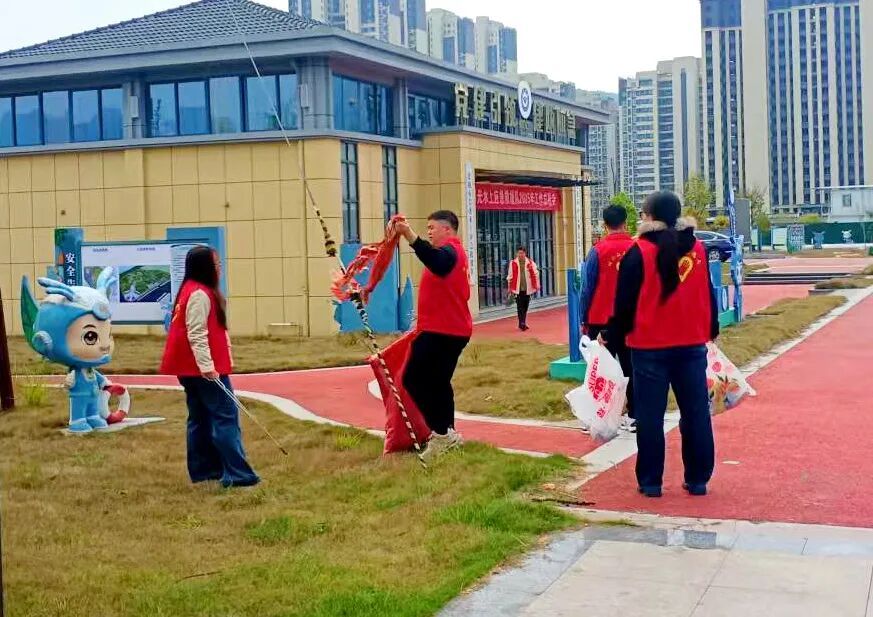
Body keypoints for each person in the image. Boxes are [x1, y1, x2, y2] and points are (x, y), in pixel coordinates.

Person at [608, 191, 719, 498]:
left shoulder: (639, 252)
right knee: (696, 414)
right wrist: (711, 328)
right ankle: (698, 479)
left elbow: (624, 303)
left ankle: (651, 482)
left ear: (649, 217)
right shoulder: (697, 248)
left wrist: (612, 336)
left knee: (650, 417)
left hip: (649, 347)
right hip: (691, 344)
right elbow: (708, 292)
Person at [160, 246, 260, 488]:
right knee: (225, 417)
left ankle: (205, 471)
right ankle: (237, 474)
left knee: (200, 418)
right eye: (216, 264)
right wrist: (207, 367)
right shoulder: (199, 294)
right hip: (202, 370)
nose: (219, 268)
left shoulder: (190, 290)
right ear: (206, 267)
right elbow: (197, 333)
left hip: (189, 368)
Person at [395, 211, 472, 462]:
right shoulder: (452, 254)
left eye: (432, 228)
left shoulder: (450, 252)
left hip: (443, 330)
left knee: (414, 379)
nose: (429, 232)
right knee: (439, 383)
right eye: (426, 228)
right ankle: (448, 433)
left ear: (447, 230)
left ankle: (441, 434)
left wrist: (409, 235)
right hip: (448, 329)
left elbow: (436, 261)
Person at [580, 205, 636, 431]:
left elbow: (587, 288)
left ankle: (599, 416)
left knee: (600, 370)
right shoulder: (637, 248)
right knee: (631, 367)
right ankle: (634, 415)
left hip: (600, 318)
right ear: (626, 222)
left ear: (604, 225)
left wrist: (584, 319)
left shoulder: (597, 251)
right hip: (631, 321)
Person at [507, 247, 540, 331]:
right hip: (517, 288)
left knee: (525, 306)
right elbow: (510, 276)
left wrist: (537, 285)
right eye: (519, 253)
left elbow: (536, 274)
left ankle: (522, 322)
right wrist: (509, 287)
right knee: (519, 306)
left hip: (527, 288)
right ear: (517, 254)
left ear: (525, 254)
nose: (520, 255)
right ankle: (522, 323)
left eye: (522, 253)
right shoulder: (513, 263)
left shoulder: (530, 263)